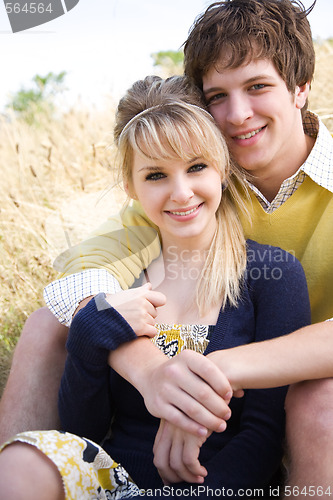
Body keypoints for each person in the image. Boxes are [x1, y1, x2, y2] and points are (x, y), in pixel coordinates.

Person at [0, 0, 332, 493]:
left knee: (319, 400)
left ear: (300, 88)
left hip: (297, 380)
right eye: (217, 95)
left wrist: (207, 373)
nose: (238, 115)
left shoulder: (250, 235)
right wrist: (155, 372)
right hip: (183, 400)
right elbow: (81, 271)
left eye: (258, 86)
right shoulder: (197, 185)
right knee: (49, 322)